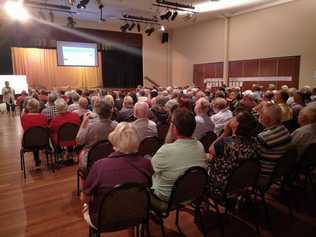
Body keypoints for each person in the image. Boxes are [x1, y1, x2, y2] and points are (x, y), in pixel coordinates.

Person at [82, 122, 154, 229]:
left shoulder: (99, 166)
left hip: (104, 220)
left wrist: (86, 204)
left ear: (115, 140)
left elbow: (85, 198)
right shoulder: (146, 163)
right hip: (138, 213)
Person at [151, 108, 207, 200]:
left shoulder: (166, 150)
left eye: (172, 123)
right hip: (191, 192)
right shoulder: (200, 145)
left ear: (175, 128)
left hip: (167, 196)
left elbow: (152, 168)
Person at [208, 111, 258, 195]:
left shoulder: (227, 142)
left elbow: (211, 150)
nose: (232, 118)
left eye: (235, 117)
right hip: (240, 183)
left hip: (220, 184)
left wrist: (225, 132)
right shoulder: (254, 142)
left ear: (237, 124)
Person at [76, 99, 118, 169]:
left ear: (97, 112)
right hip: (111, 157)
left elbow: (79, 141)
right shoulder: (116, 125)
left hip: (91, 161)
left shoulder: (90, 126)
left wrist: (84, 122)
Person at [256, 103, 292, 184]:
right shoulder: (285, 130)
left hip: (264, 175)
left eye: (261, 114)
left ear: (267, 119)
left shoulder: (263, 137)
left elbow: (253, 158)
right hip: (278, 172)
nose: (259, 115)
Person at [21, 98, 48, 167]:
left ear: (28, 107)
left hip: (28, 143)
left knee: (33, 137)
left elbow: (25, 128)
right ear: (38, 107)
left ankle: (37, 160)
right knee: (37, 136)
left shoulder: (24, 118)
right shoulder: (43, 117)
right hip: (43, 141)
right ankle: (38, 159)